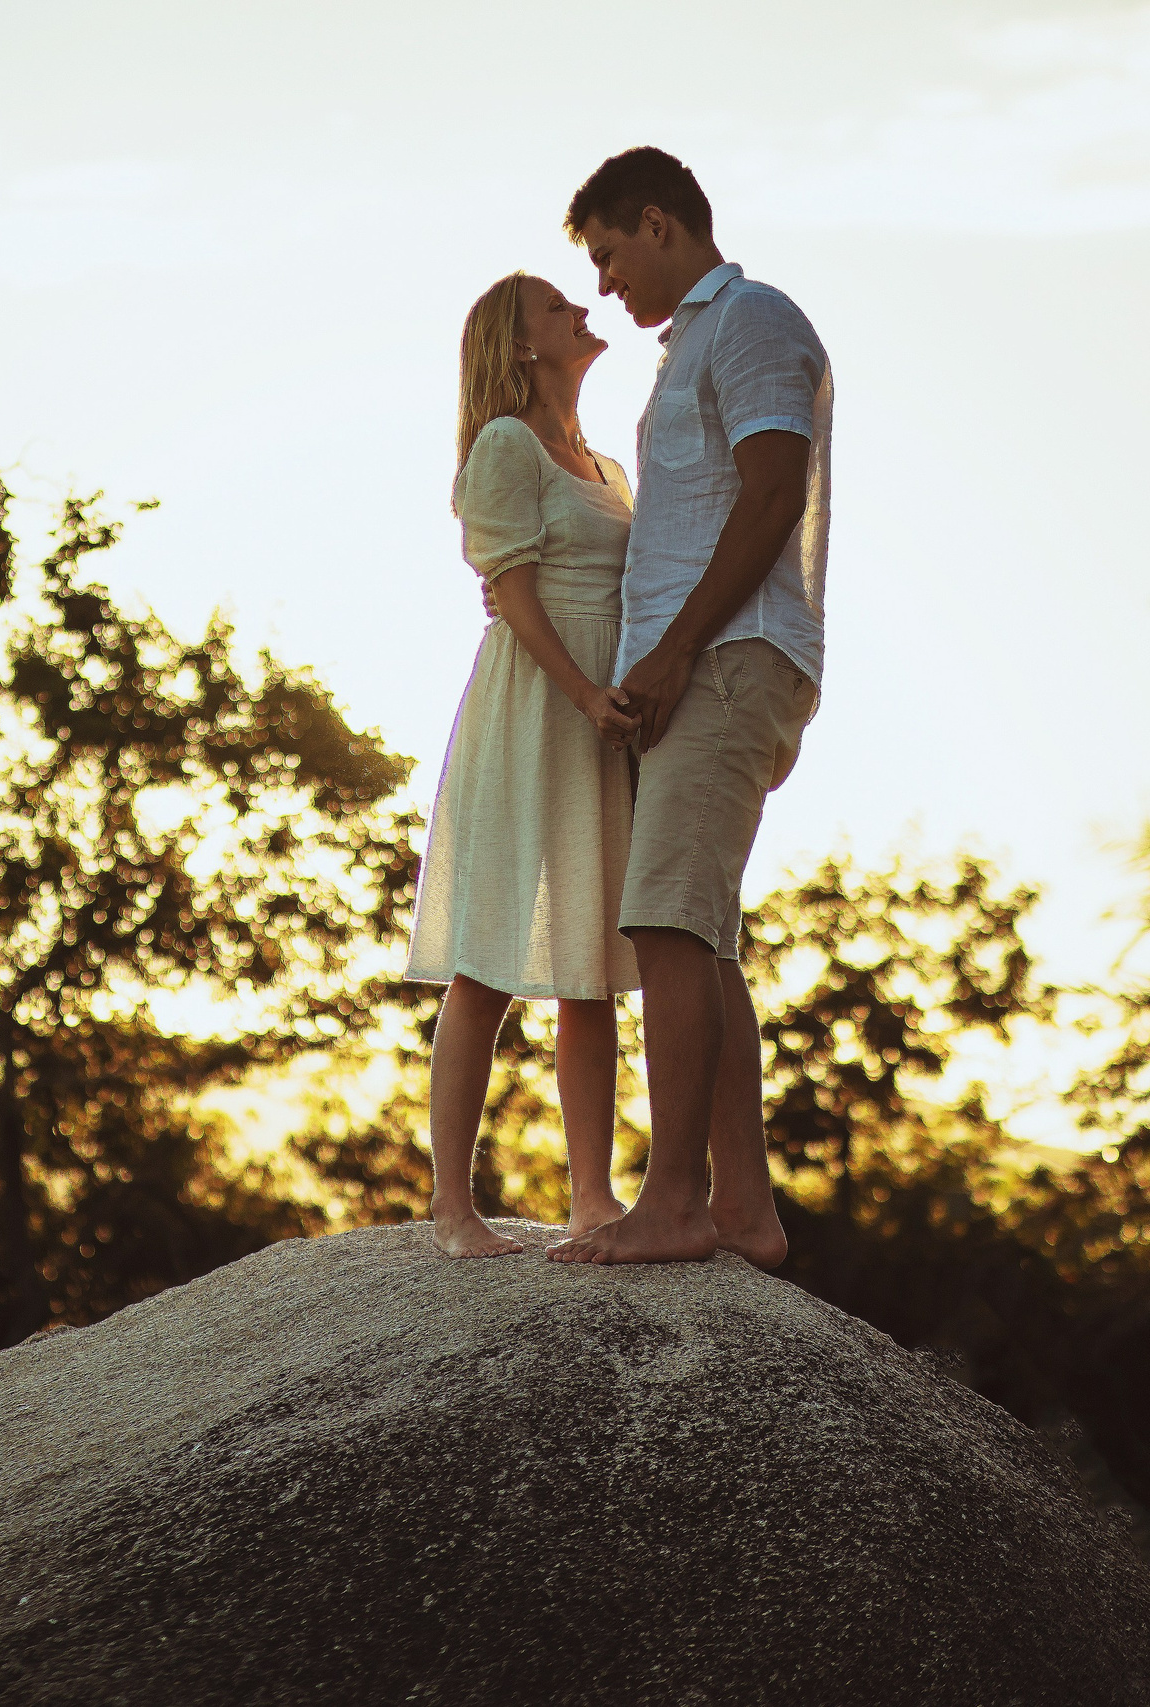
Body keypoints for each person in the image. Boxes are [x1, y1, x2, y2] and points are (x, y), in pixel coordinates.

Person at [543, 146, 833, 1269]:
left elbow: (772, 492)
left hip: (725, 660)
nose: (605, 286)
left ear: (658, 222)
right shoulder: (694, 347)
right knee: (699, 938)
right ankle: (745, 1208)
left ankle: (673, 1201)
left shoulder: (752, 319)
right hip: (706, 662)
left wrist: (667, 657)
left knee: (664, 920)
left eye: (609, 255)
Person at [404, 270, 642, 1258]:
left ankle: (594, 1193)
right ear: (520, 343)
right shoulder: (507, 446)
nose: (583, 312)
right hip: (534, 707)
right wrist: (584, 693)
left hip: (604, 717)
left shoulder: (606, 465)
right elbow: (512, 587)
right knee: (488, 958)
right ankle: (453, 1208)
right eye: (558, 307)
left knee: (590, 961)